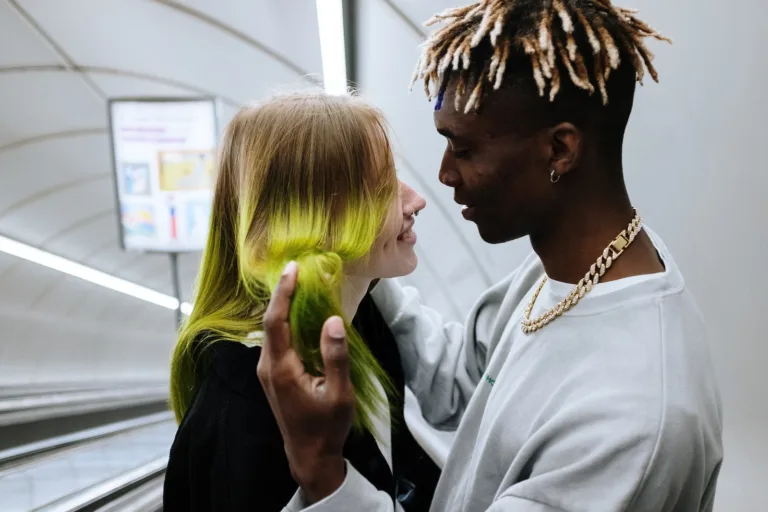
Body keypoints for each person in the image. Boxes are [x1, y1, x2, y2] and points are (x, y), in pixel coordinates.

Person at [257, 1, 724, 511]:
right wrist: (361, 253)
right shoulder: (569, 274)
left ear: (559, 150)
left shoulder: (631, 420)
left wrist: (324, 469)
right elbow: (459, 383)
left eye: (463, 149)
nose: (443, 175)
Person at [162, 92, 441, 511]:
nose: (415, 200)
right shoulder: (245, 416)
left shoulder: (361, 322)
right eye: (383, 185)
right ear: (313, 215)